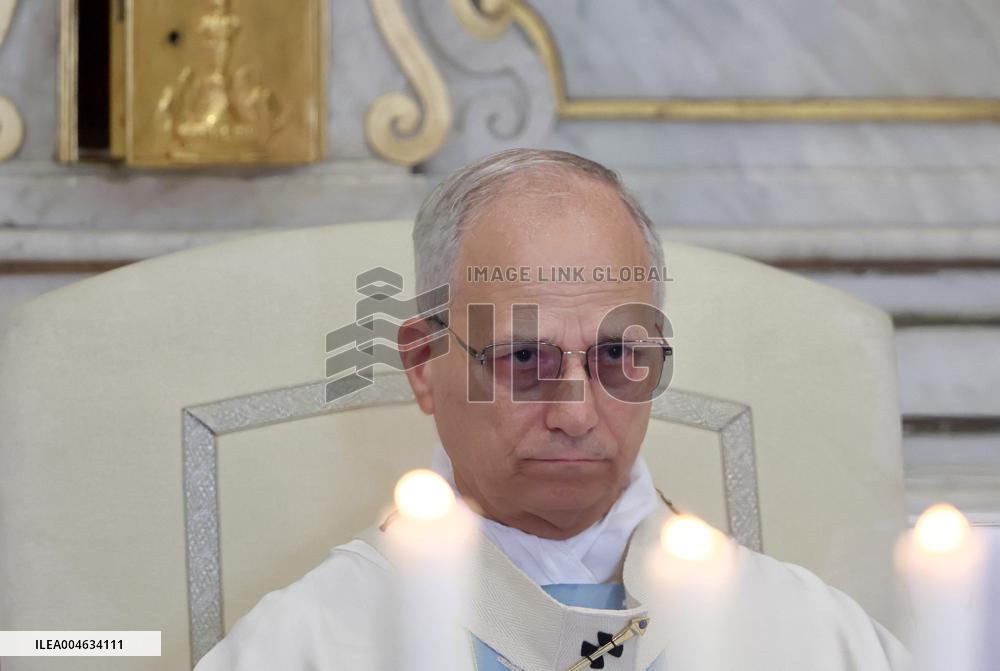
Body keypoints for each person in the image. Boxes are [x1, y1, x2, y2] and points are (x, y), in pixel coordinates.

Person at [194, 149, 909, 670]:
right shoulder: (311, 646)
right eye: (525, 359)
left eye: (617, 357)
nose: (575, 413)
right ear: (422, 364)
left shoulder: (810, 639)